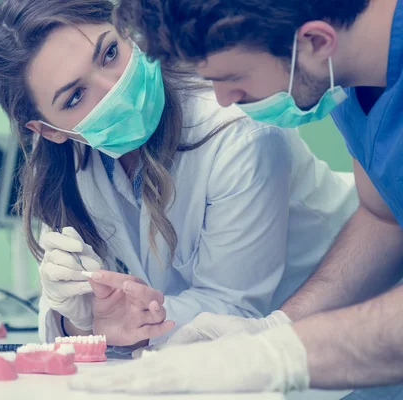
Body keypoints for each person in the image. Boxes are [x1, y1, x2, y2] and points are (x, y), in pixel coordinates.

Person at [0, 0, 357, 355]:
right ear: (48, 130)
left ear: (124, 29)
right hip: (240, 362)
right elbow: (69, 302)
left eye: (110, 53)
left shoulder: (238, 129)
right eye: (75, 97)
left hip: (343, 337)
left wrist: (113, 322)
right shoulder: (71, 164)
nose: (113, 90)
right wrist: (75, 320)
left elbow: (233, 310)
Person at [69, 0, 403, 397]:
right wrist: (278, 327)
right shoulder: (347, 76)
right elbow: (382, 218)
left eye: (233, 78)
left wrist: (280, 354)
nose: (224, 100)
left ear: (315, 41)